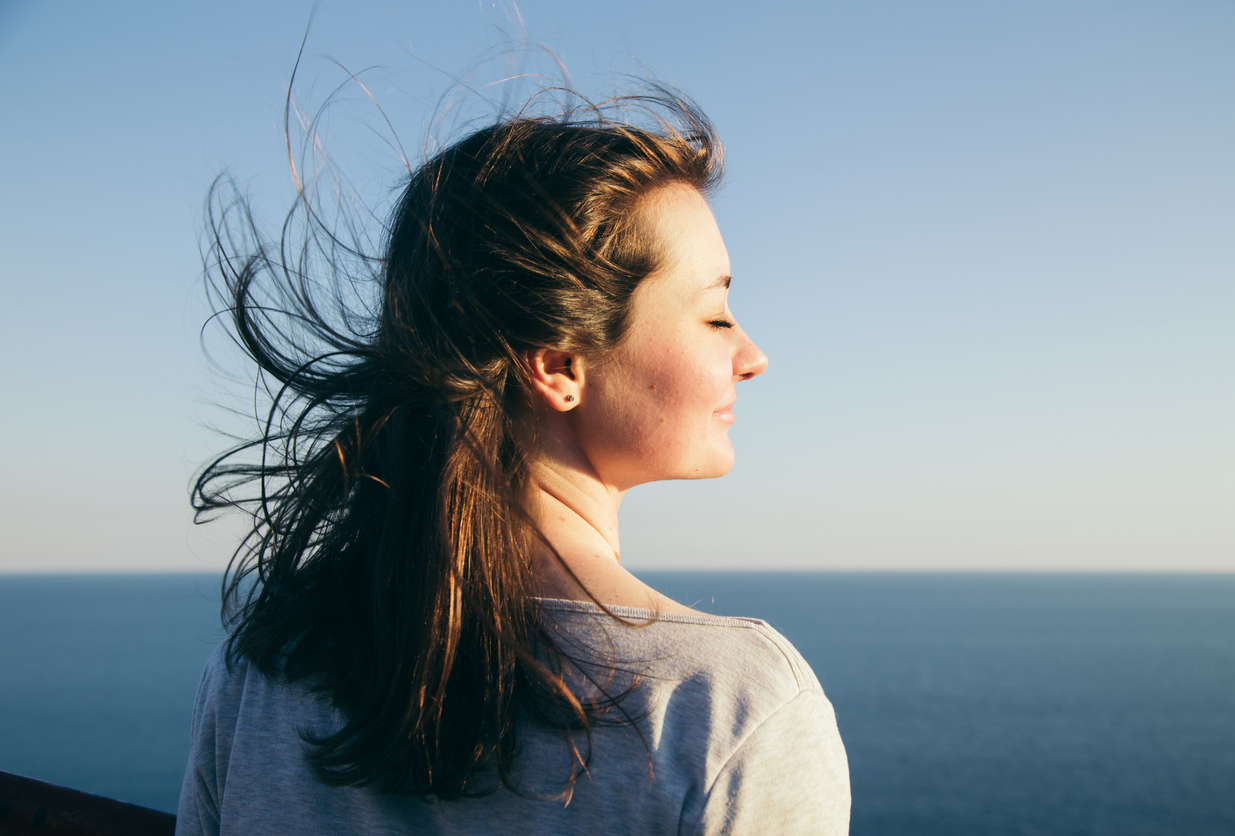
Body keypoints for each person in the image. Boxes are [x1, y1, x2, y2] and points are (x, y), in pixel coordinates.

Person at [176, 85, 850, 835]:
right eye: (715, 313)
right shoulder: (725, 711)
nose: (752, 356)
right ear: (558, 363)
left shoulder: (264, 669)